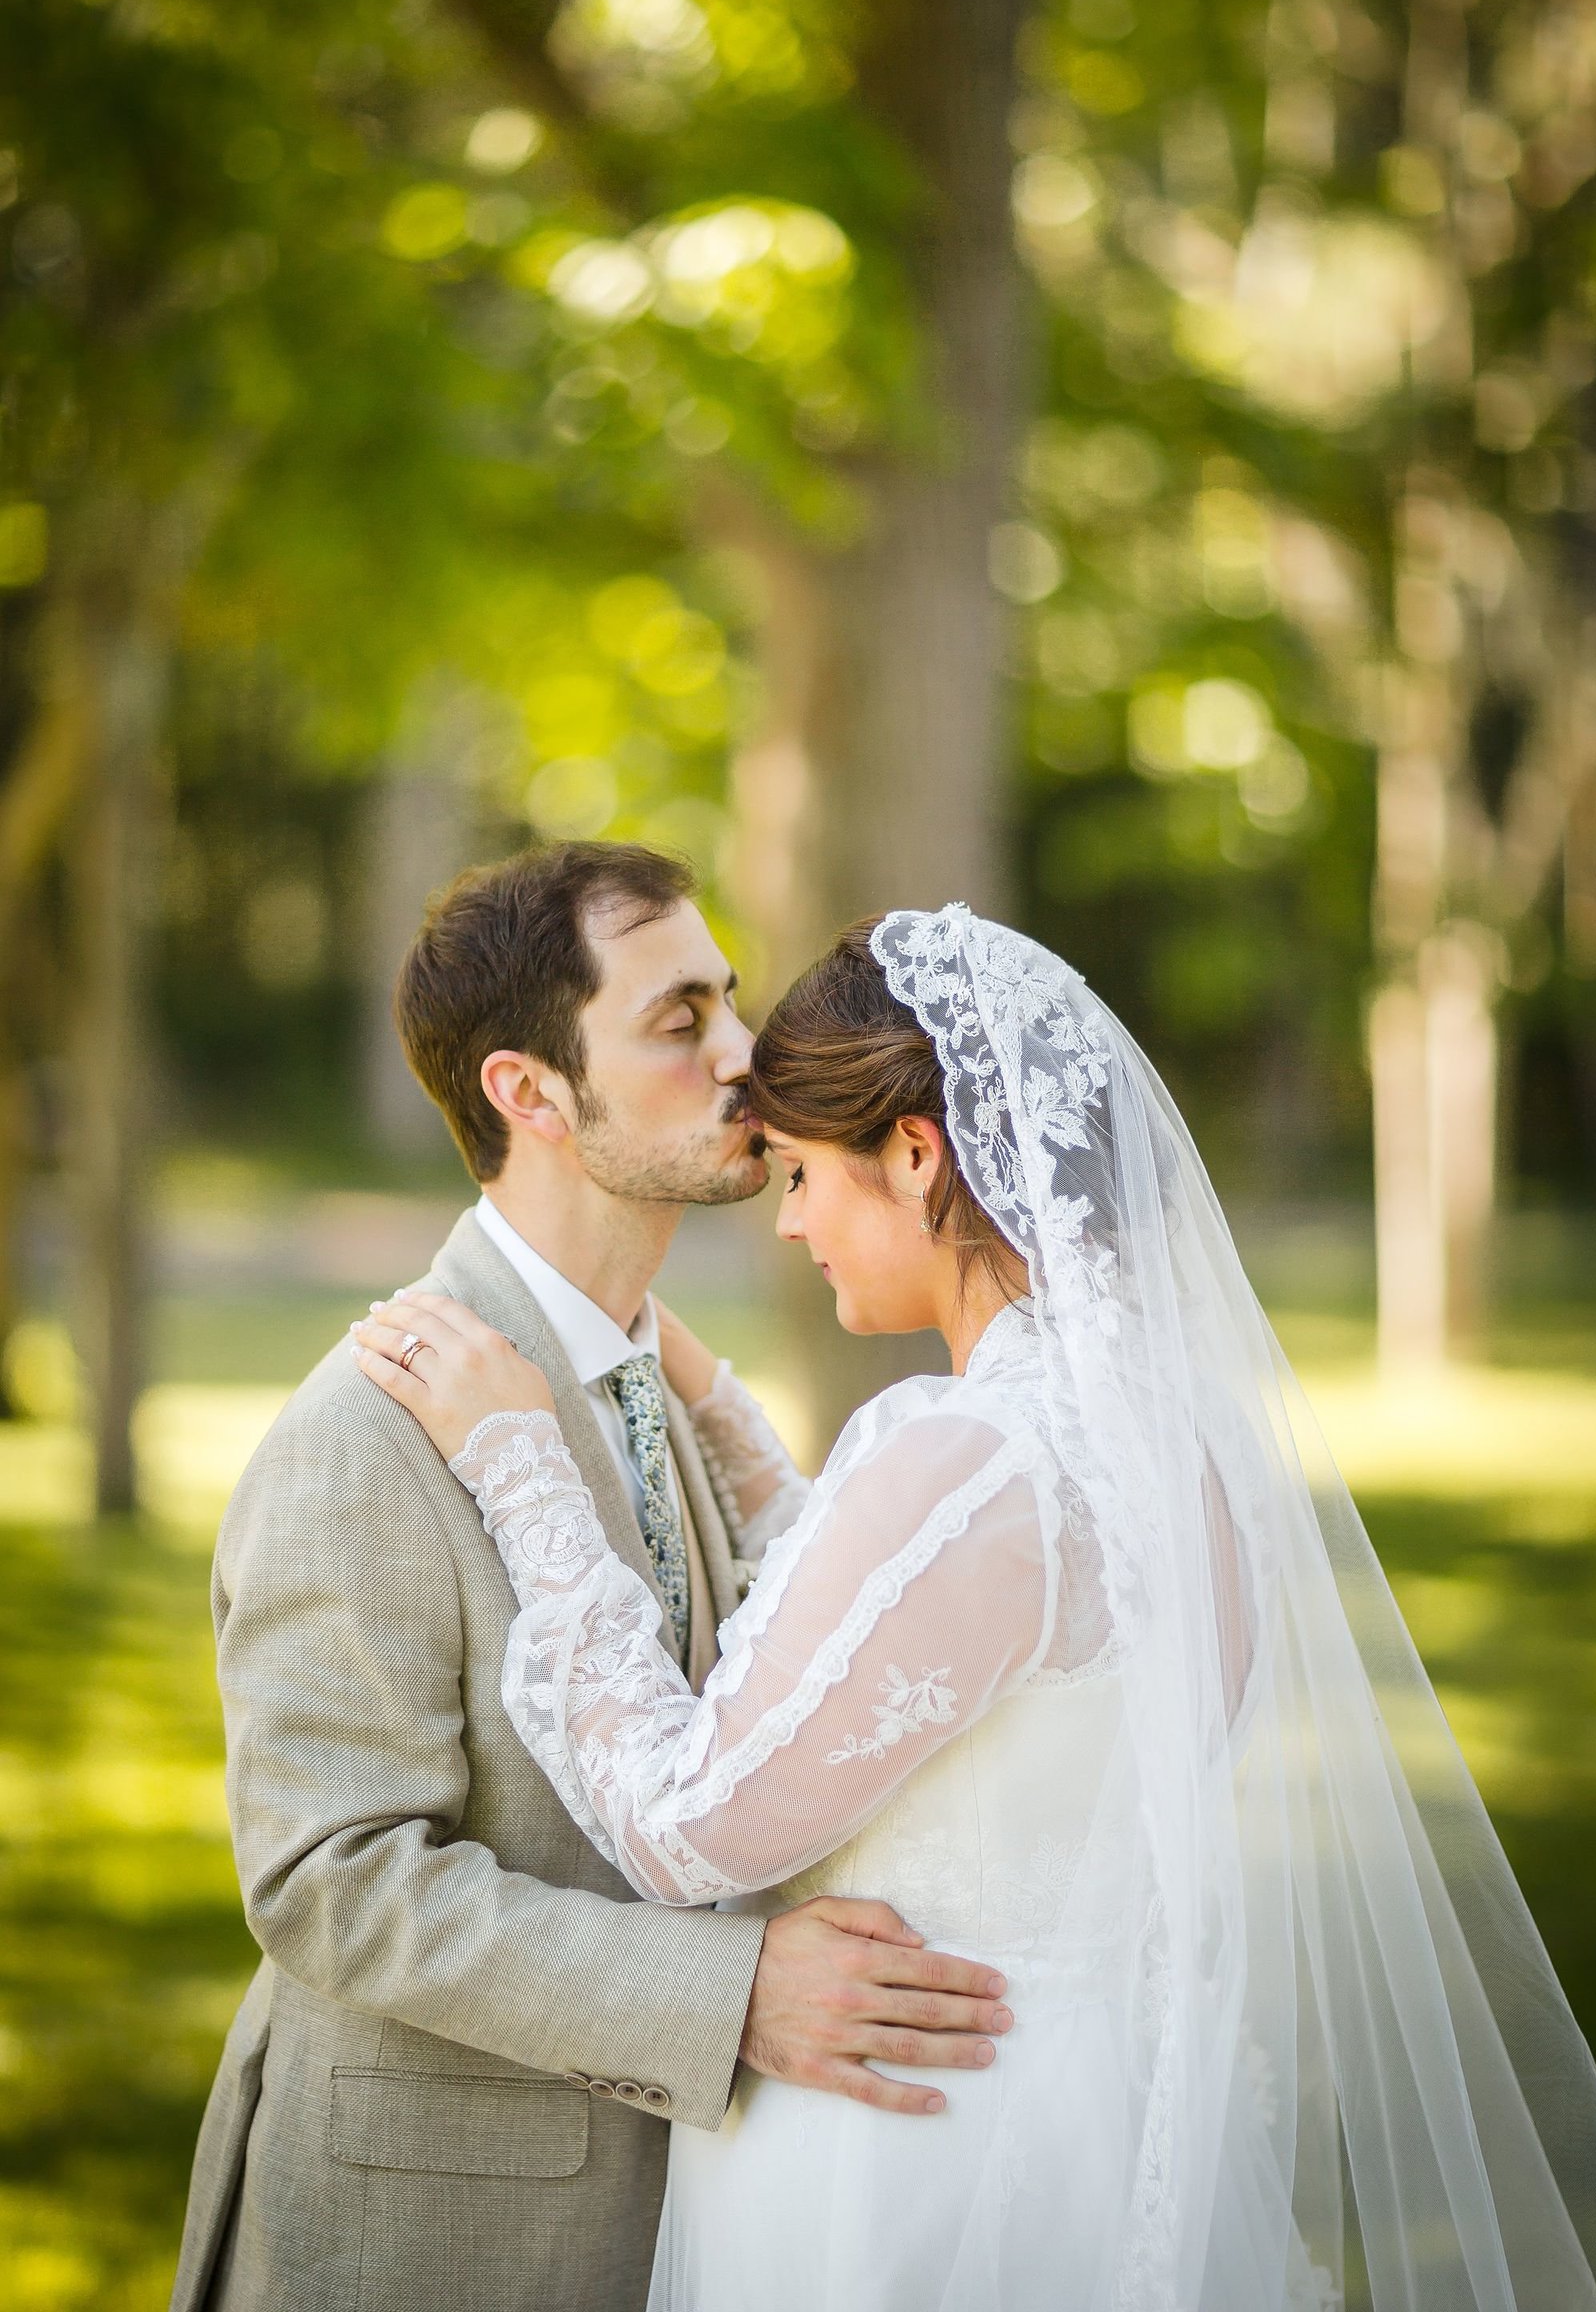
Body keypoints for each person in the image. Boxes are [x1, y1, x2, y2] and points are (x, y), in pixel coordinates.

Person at [355, 902, 1596, 2312]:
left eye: (807, 1176)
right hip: (1096, 2120)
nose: (800, 1221)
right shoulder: (1183, 1454)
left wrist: (525, 1466)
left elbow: (680, 1828)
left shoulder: (962, 1456)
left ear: (917, 1153)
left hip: (907, 2169)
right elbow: (924, 1638)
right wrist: (715, 1405)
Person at [170, 849, 1012, 2312]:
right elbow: (331, 1880)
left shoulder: (645, 1375)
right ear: (532, 1095)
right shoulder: (365, 1433)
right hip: (429, 2242)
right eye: (681, 1022)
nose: (747, 1059)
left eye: (727, 1003)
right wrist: (731, 1995)